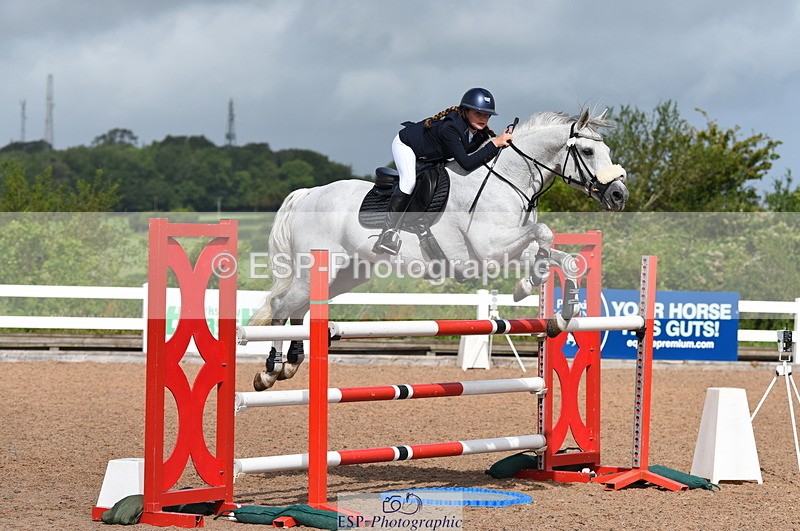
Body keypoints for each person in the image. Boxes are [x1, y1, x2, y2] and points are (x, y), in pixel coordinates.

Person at [373, 87, 514, 255]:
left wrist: (500, 142)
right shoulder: (450, 128)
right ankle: (387, 233)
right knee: (409, 182)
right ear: (466, 111)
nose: (483, 119)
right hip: (407, 145)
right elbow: (467, 163)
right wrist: (495, 144)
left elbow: (485, 153)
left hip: (432, 156)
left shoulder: (480, 134)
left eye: (486, 115)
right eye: (478, 113)